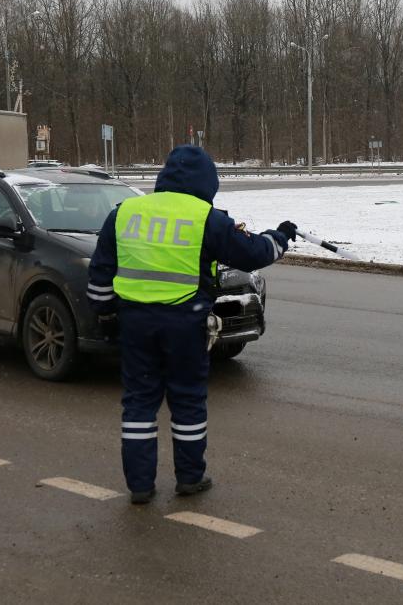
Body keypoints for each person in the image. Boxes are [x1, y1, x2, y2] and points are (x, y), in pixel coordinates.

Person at [87, 145, 297, 504]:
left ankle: (140, 486)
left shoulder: (124, 212)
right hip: (185, 322)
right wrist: (278, 238)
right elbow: (253, 255)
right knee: (187, 402)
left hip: (135, 323)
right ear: (207, 182)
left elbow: (100, 277)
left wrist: (106, 317)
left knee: (139, 404)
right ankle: (189, 477)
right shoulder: (206, 218)